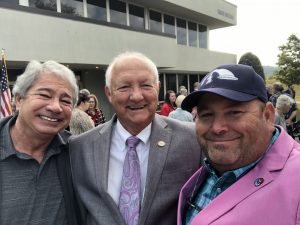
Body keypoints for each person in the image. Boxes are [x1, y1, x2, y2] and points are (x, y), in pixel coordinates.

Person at [69, 51, 201, 225]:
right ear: (108, 93)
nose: (137, 96)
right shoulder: (80, 147)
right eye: (124, 87)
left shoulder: (192, 139)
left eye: (146, 85)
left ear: (158, 88)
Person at [177, 64, 300, 225]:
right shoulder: (208, 168)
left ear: (268, 116)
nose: (217, 128)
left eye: (234, 113)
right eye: (206, 114)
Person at [0, 60, 84, 225]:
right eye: (44, 95)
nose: (55, 107)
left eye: (65, 101)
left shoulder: (76, 152)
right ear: (18, 99)